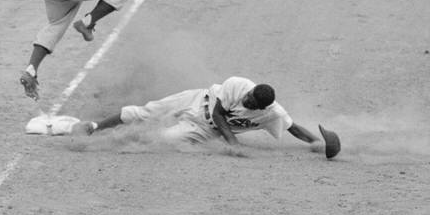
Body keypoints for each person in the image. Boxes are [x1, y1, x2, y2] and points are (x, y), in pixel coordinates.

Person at [77, 76, 330, 155]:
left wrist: (317, 143)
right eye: (248, 95)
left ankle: (114, 143)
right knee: (146, 112)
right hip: (196, 100)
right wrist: (233, 144)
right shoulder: (237, 83)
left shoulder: (273, 113)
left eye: (250, 102)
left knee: (164, 139)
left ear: (261, 109)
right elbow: (220, 115)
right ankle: (95, 127)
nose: (246, 99)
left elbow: (293, 127)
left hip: (202, 130)